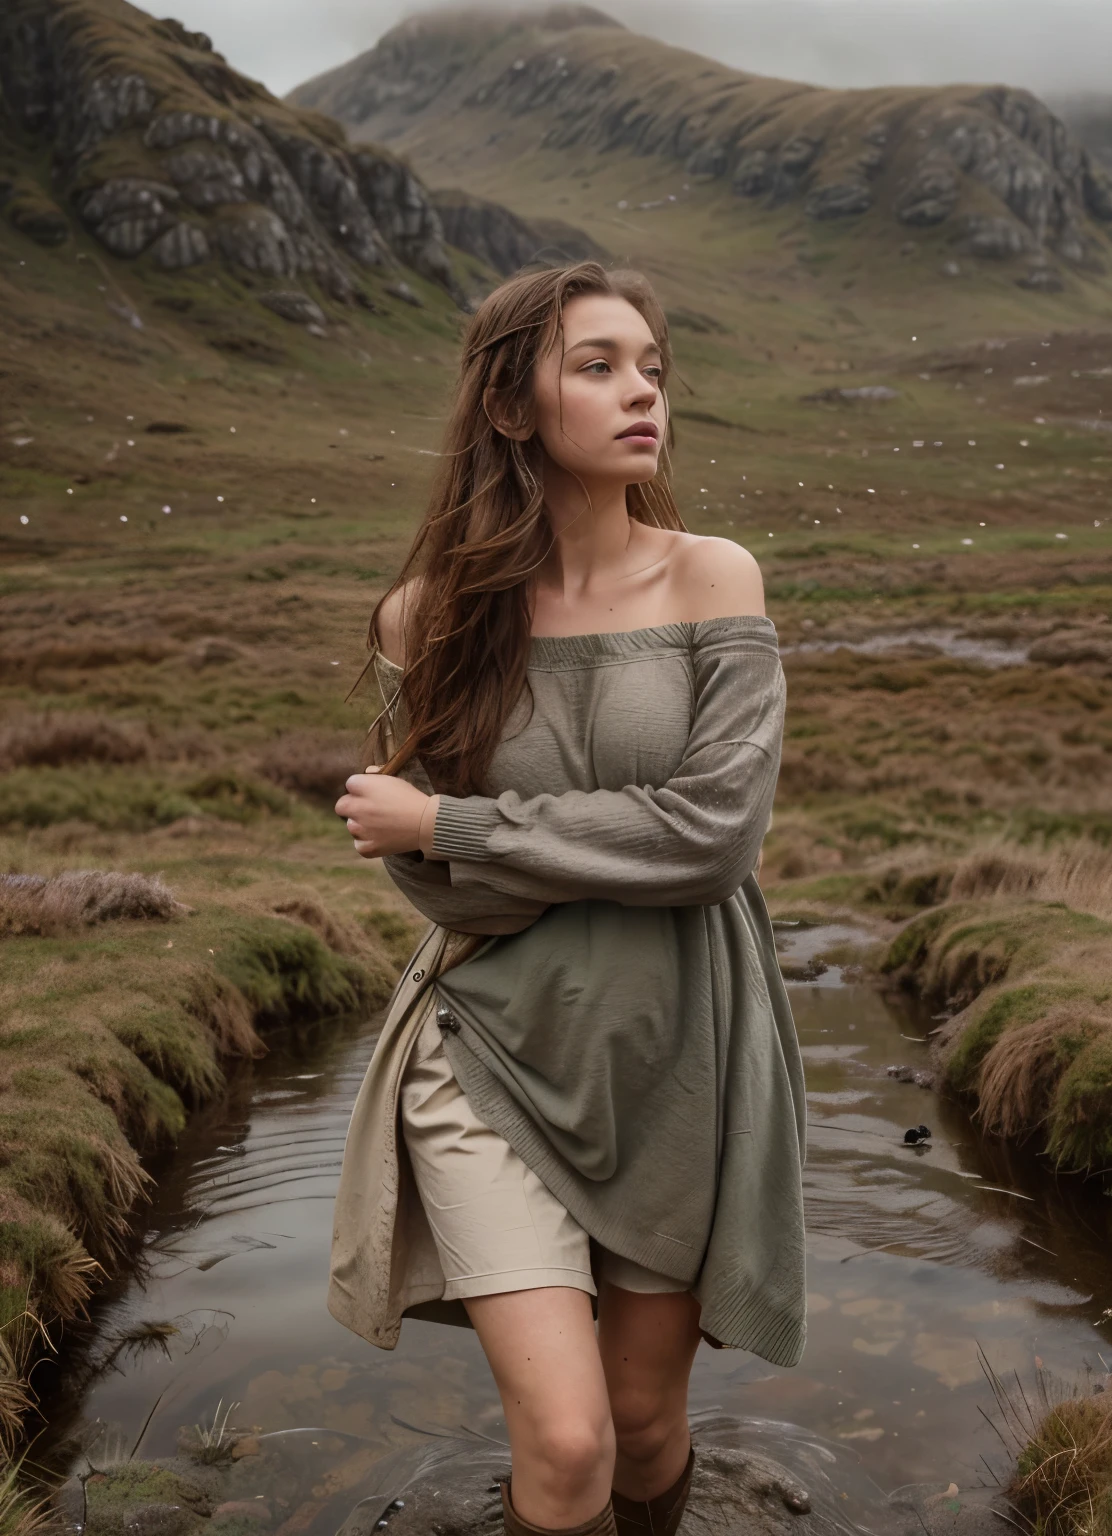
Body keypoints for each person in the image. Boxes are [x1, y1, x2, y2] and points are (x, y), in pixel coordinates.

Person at [332, 260, 806, 1536]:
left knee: (647, 1434)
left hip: (680, 1054)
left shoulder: (717, 578)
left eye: (650, 366)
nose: (640, 391)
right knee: (568, 1435)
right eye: (597, 366)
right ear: (508, 407)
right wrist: (479, 849)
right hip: (484, 1047)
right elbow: (441, 896)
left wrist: (460, 822)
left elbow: (712, 841)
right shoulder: (424, 615)